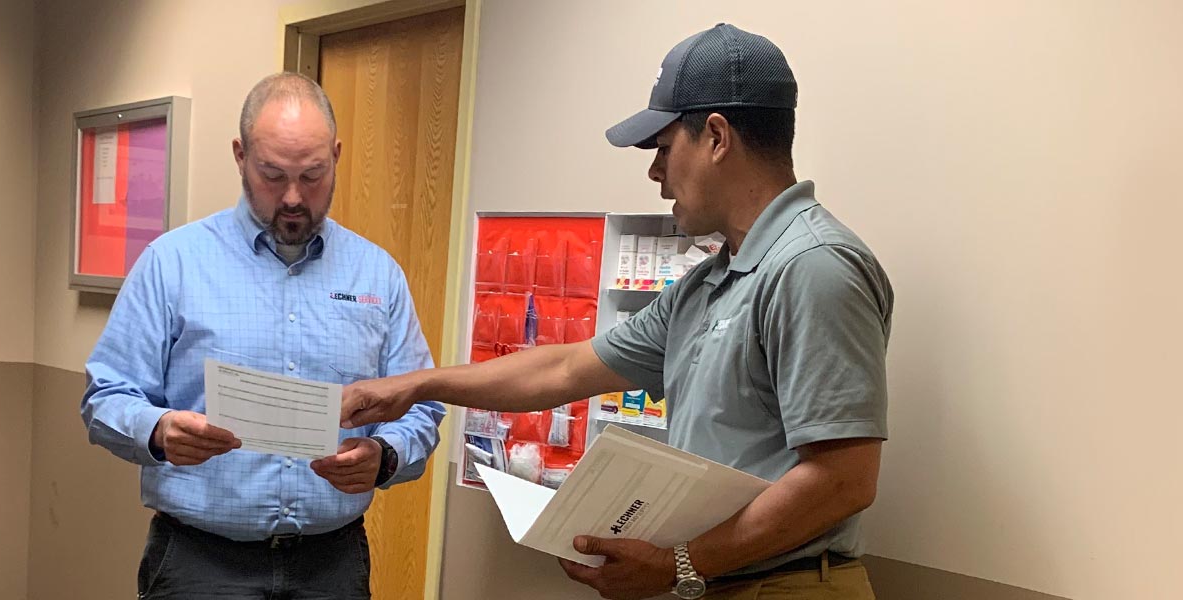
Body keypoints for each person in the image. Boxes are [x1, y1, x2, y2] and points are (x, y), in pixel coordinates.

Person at [340, 24, 891, 600]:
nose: (654, 173)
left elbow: (843, 481)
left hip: (784, 585)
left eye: (662, 149)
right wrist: (417, 385)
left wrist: (680, 562)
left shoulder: (813, 267)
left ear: (717, 138)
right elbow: (565, 370)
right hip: (714, 581)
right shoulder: (709, 283)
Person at [82, 72, 445, 600]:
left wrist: (386, 456)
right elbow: (105, 397)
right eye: (273, 175)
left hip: (332, 566)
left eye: (313, 175)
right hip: (198, 564)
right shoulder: (172, 263)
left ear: (337, 157)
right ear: (240, 155)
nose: (294, 197)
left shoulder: (378, 275)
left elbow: (421, 407)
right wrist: (159, 430)